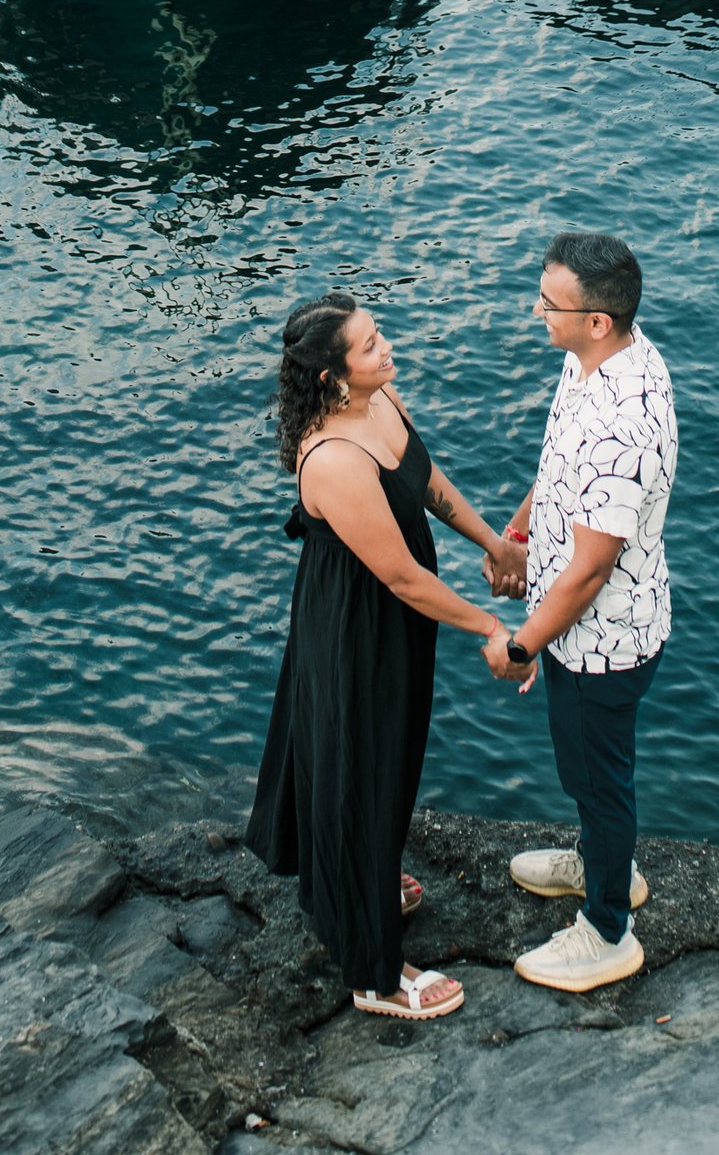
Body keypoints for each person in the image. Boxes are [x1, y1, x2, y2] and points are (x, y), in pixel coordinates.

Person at [248, 290, 526, 1022]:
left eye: (379, 336)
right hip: (357, 627)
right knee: (361, 768)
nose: (387, 348)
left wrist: (494, 542)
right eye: (371, 345)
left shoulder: (378, 402)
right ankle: (374, 973)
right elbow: (401, 575)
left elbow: (423, 483)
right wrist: (487, 627)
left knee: (391, 759)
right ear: (333, 377)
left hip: (396, 617)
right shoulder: (333, 459)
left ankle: (358, 879)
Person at [482, 231, 676, 993]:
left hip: (602, 639)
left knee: (599, 777)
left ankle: (607, 928)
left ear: (597, 319)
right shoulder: (591, 357)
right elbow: (559, 460)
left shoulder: (625, 421)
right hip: (578, 620)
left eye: (549, 303)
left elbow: (594, 568)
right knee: (588, 772)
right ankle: (603, 861)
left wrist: (523, 645)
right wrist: (522, 534)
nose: (537, 311)